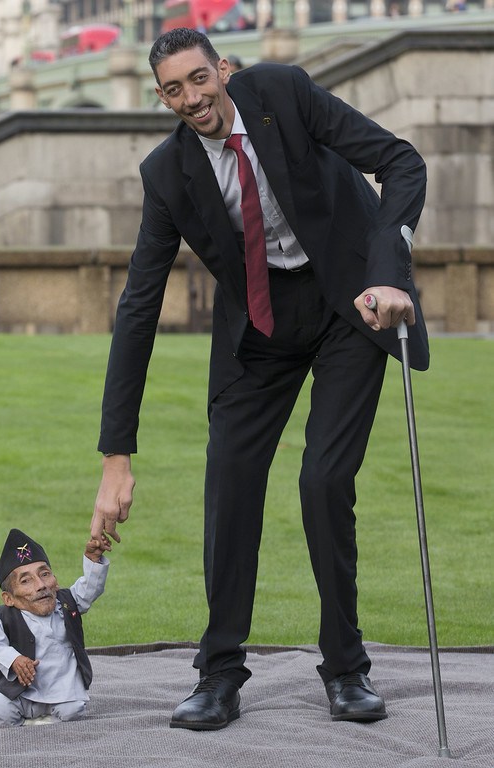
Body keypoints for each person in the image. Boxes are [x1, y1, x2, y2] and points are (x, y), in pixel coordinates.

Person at [91, 27, 428, 730]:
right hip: (261, 326)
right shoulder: (167, 173)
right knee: (230, 479)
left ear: (224, 69)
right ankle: (219, 675)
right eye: (173, 90)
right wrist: (114, 456)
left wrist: (386, 275)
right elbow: (138, 309)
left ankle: (346, 668)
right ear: (161, 98)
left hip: (348, 302)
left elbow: (400, 163)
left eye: (198, 79)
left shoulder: (282, 92)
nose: (191, 98)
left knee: (323, 481)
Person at [0, 528, 111, 726]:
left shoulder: (68, 603)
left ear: (55, 581)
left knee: (73, 710)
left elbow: (90, 588)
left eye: (44, 574)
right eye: (26, 581)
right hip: (22, 692)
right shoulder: (3, 616)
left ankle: (46, 720)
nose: (41, 585)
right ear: (9, 598)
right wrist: (14, 659)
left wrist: (93, 559)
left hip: (62, 689)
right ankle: (40, 722)